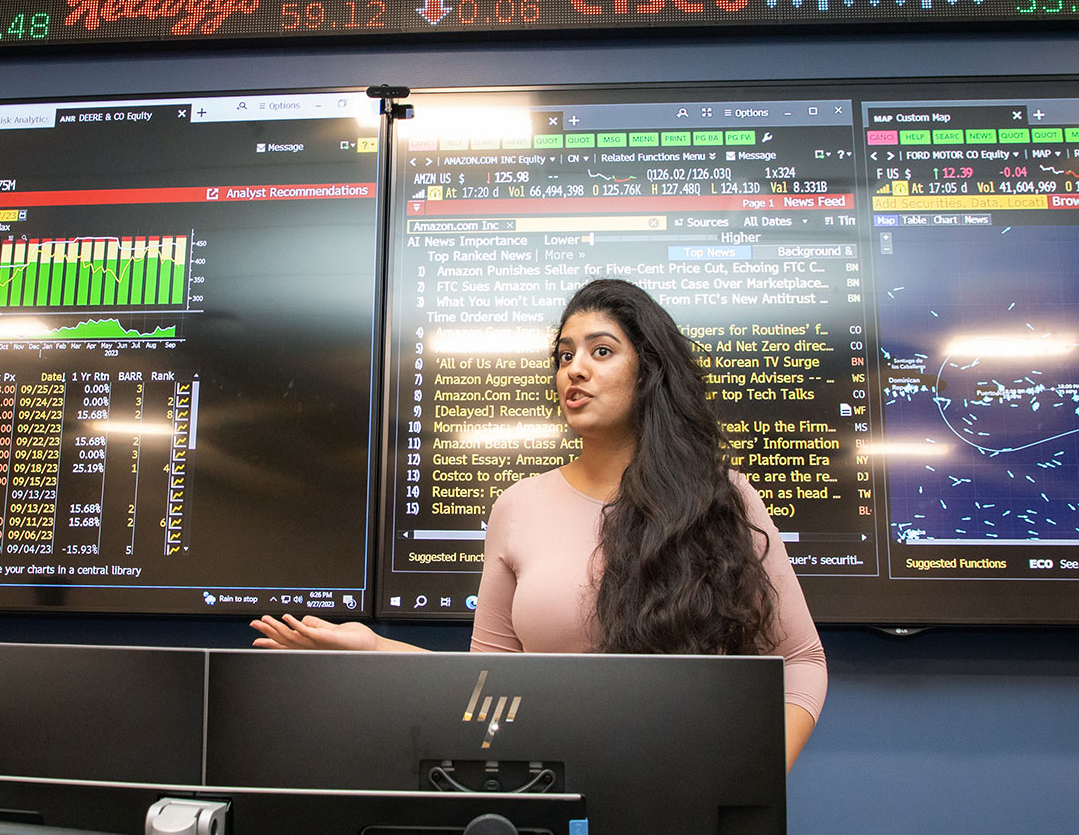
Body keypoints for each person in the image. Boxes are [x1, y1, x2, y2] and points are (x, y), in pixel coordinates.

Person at [252, 279, 825, 770]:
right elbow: (487, 687)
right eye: (564, 354)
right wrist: (376, 651)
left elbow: (801, 664)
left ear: (649, 372)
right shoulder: (518, 507)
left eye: (601, 351)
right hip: (550, 797)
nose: (574, 369)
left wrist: (753, 785)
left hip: (686, 796)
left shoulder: (719, 498)